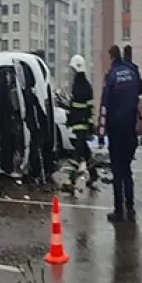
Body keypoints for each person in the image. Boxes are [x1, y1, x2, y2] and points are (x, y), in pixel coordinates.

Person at [98, 45, 142, 222]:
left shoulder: (111, 77)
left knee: (117, 172)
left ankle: (119, 210)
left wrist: (101, 134)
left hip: (116, 131)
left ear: (111, 58)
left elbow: (104, 107)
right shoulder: (131, 72)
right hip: (130, 130)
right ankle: (130, 207)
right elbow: (140, 89)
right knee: (127, 170)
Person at [65, 54, 96, 189]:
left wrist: (89, 124)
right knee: (85, 151)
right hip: (79, 122)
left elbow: (87, 107)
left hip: (81, 123)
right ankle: (93, 174)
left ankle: (70, 180)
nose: (72, 72)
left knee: (77, 153)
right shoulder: (81, 85)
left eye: (73, 69)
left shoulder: (82, 86)